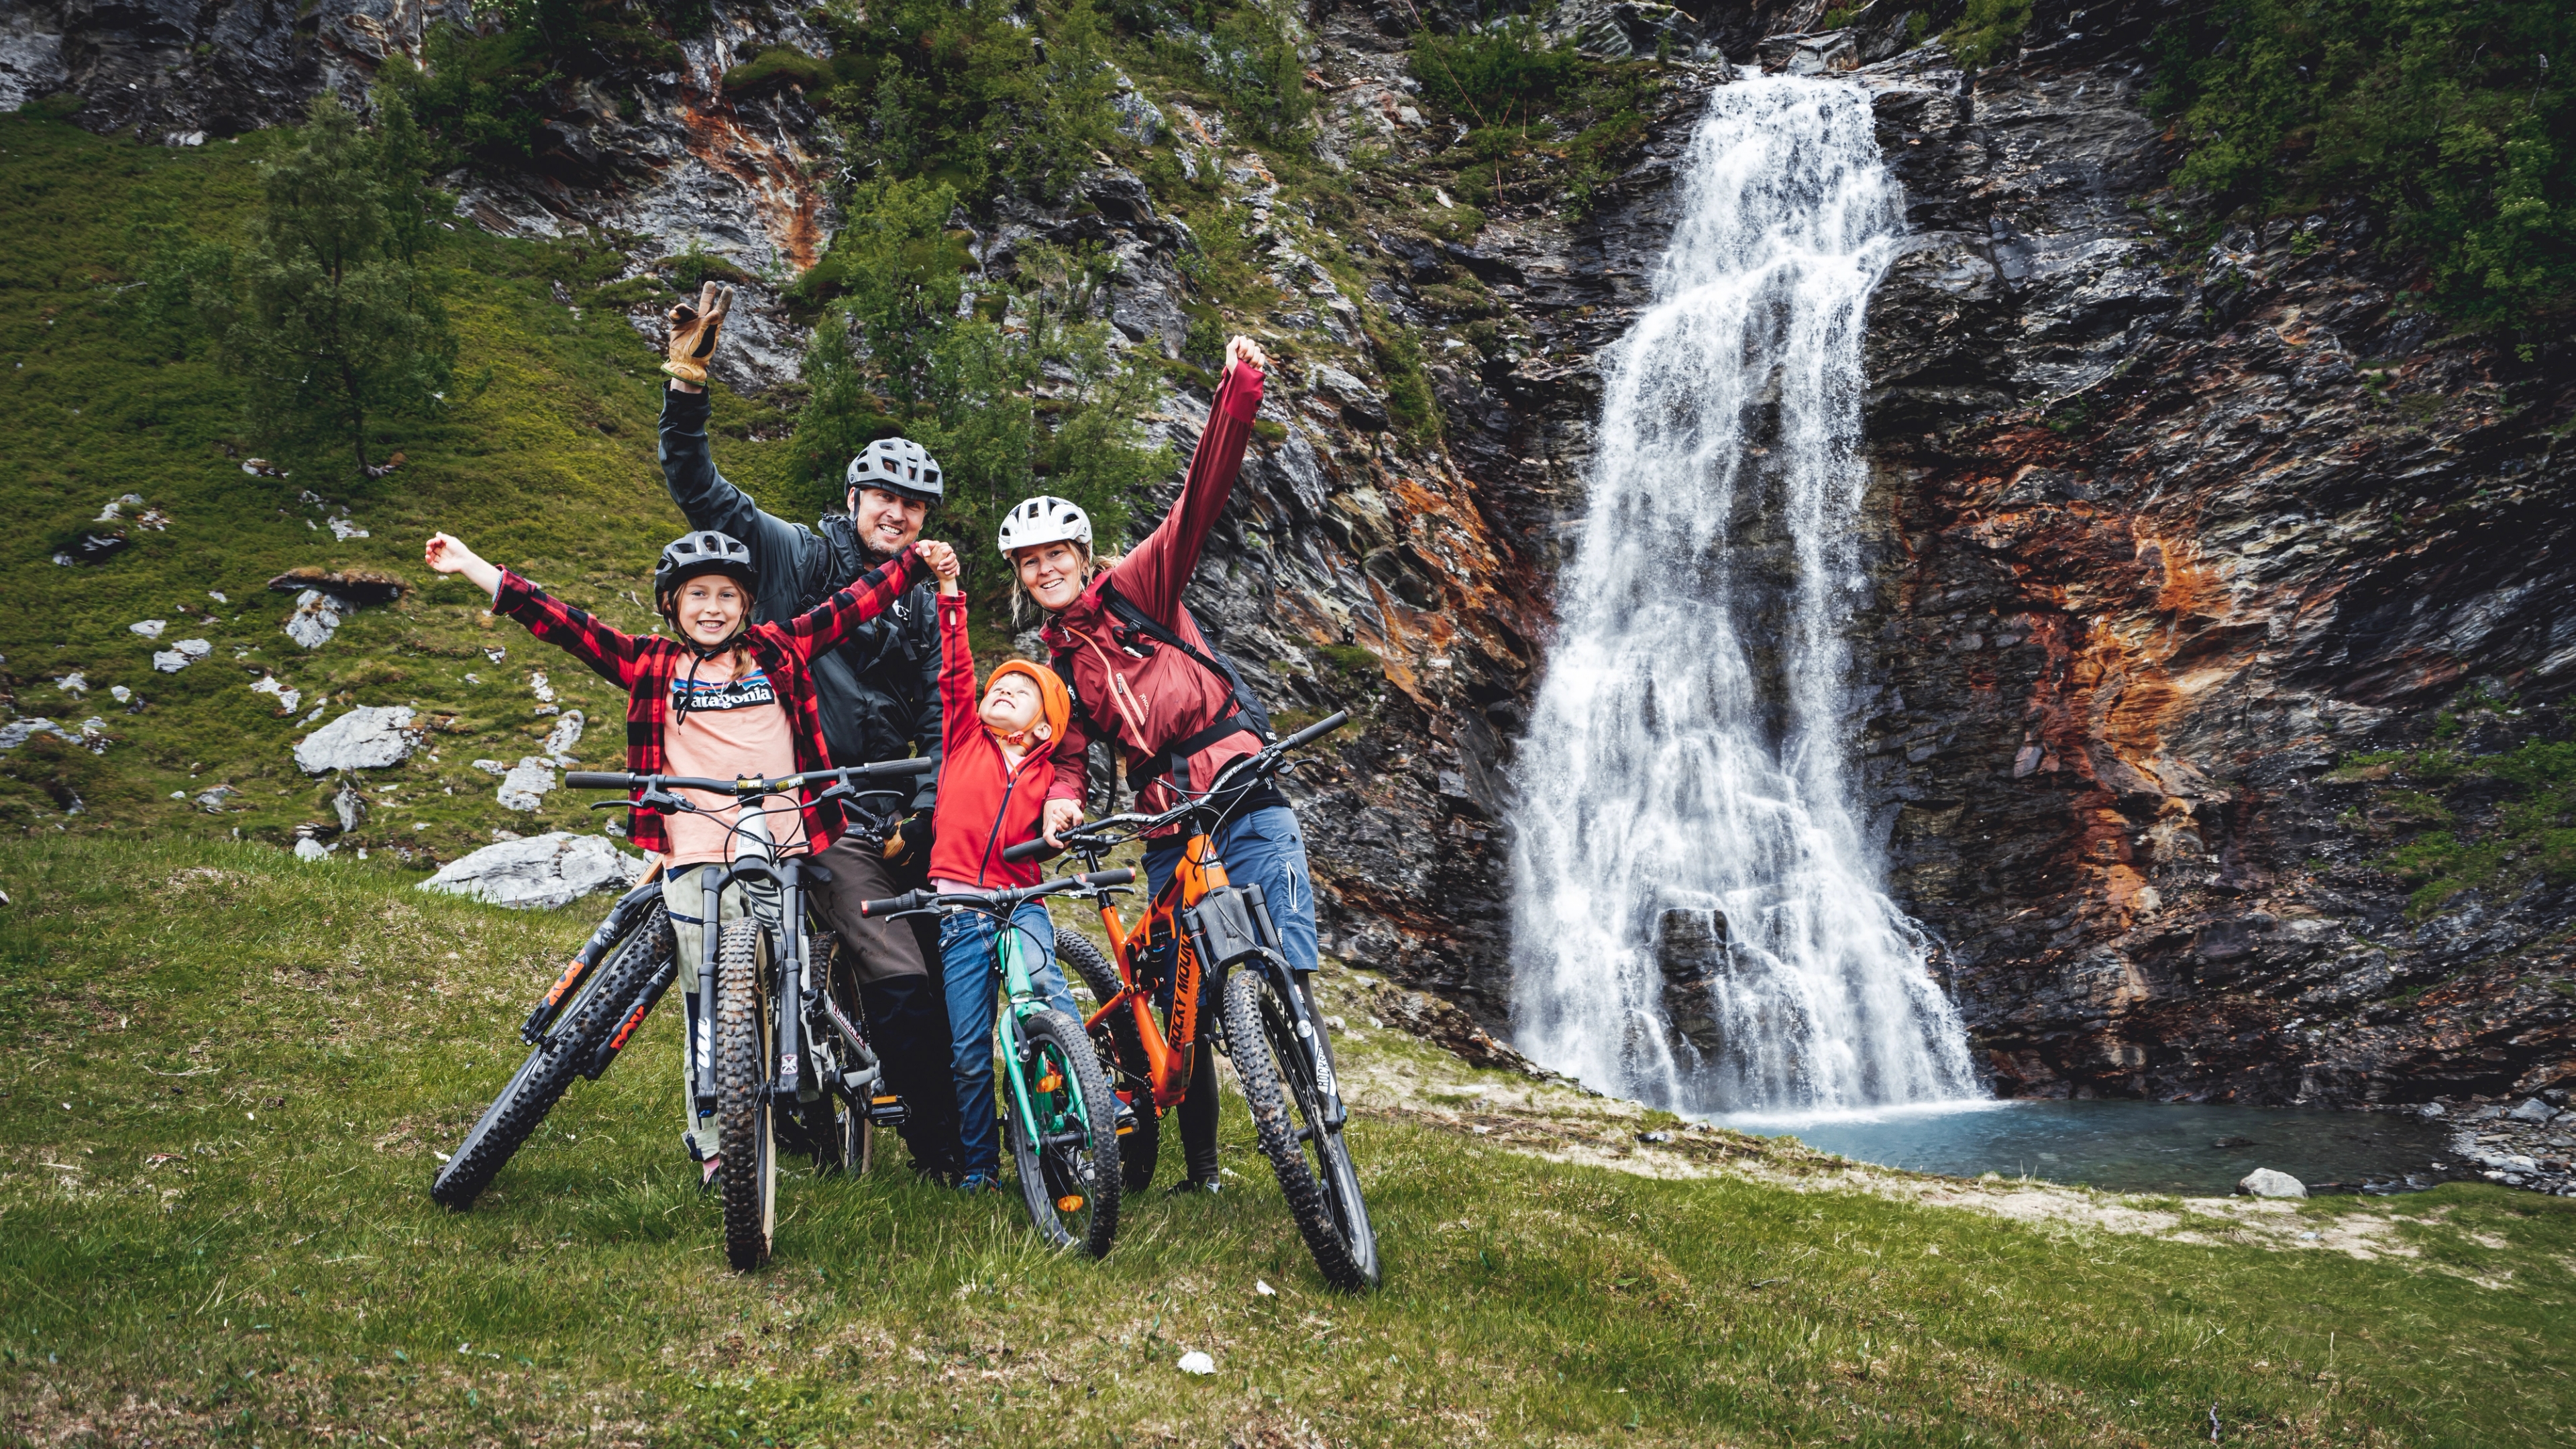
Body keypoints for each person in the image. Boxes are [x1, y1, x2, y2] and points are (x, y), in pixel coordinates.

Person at [421, 525, 949, 1183]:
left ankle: (807, 1084)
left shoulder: (778, 651)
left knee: (791, 965)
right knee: (707, 988)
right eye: (697, 593)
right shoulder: (652, 665)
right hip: (697, 849)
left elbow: (853, 605)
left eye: (727, 594)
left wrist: (913, 564)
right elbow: (564, 624)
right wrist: (472, 565)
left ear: (748, 604)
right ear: (671, 605)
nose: (713, 607)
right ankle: (715, 1138)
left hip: (785, 842)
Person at [654, 281, 962, 1181]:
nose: (897, 513)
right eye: (883, 496)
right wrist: (687, 381)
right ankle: (945, 1153)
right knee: (892, 957)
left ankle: (988, 1114)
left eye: (913, 506)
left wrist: (927, 806)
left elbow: (943, 709)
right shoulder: (799, 559)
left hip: (898, 809)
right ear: (856, 495)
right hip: (811, 809)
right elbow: (699, 490)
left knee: (961, 953)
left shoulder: (923, 595)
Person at [1007, 335, 1320, 1195]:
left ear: (1083, 553)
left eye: (1056, 555)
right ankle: (1206, 1172)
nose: (1046, 570)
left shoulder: (1142, 587)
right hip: (1163, 819)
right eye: (1031, 564)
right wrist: (1061, 807)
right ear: (1023, 577)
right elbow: (1067, 757)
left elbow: (1200, 495)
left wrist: (1238, 388)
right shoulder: (1056, 667)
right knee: (1183, 999)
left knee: (1279, 958)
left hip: (1240, 784)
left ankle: (1313, 1095)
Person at [916, 545, 1093, 1192]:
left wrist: (1063, 820)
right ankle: (979, 1168)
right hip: (961, 909)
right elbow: (956, 670)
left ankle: (1076, 1128)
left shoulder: (1050, 772)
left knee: (1048, 1010)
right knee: (968, 1051)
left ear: (1045, 724)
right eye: (999, 688)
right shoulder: (965, 737)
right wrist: (952, 593)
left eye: (1019, 692)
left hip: (1023, 903)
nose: (1001, 694)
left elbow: (1064, 807)